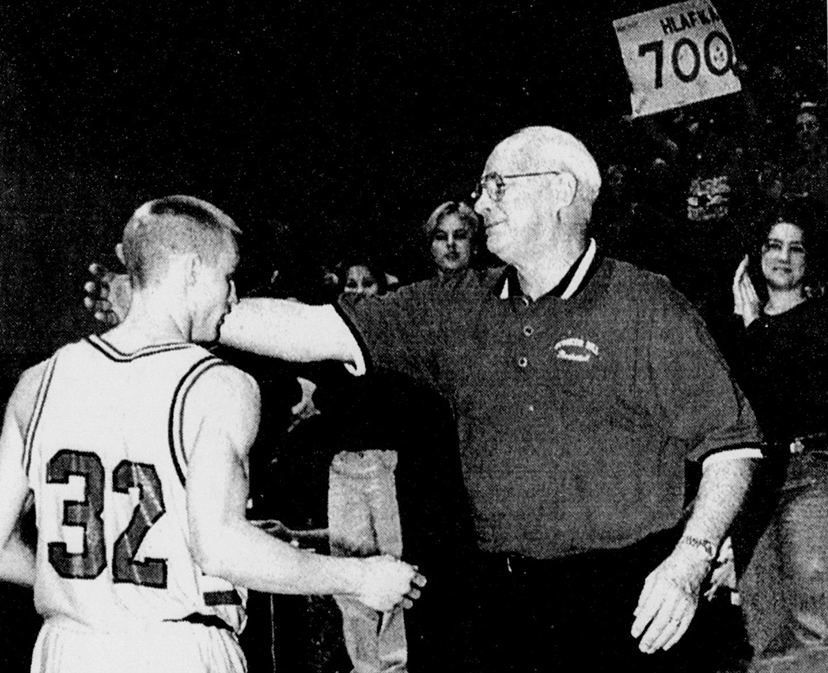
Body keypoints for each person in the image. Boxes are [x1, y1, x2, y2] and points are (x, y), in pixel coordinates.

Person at [85, 128, 761, 672]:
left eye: (497, 184)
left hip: (629, 596)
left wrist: (691, 557)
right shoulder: (457, 304)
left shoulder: (647, 305)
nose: (479, 202)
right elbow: (317, 328)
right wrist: (186, 309)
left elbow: (732, 446)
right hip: (509, 599)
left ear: (560, 191)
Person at [0, 195, 423, 673]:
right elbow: (221, 546)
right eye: (228, 277)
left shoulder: (37, 381)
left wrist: (88, 584)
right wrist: (358, 577)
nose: (233, 297)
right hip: (175, 650)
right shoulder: (217, 384)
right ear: (192, 270)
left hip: (64, 649)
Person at [730, 198, 828, 671]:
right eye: (774, 245)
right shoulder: (736, 330)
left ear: (810, 260)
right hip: (754, 487)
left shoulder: (819, 320)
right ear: (757, 253)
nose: (784, 257)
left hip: (810, 476)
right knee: (763, 628)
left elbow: (788, 400)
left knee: (814, 625)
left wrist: (753, 327)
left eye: (796, 248)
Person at [422, 201, 480, 278]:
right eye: (441, 237)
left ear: (473, 245)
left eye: (459, 236)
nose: (450, 243)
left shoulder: (494, 283)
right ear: (431, 247)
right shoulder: (412, 290)